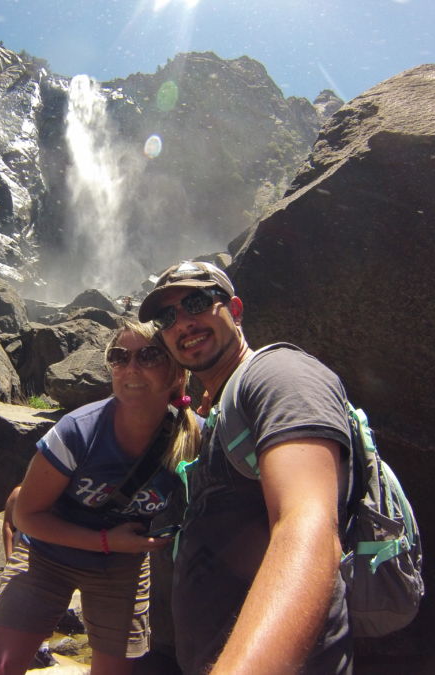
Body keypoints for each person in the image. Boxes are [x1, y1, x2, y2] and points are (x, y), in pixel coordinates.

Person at [138, 260, 353, 675]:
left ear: (235, 310)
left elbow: (307, 528)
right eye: (167, 317)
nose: (183, 322)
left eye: (197, 302)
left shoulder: (279, 376)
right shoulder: (215, 413)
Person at [0, 320, 200, 675]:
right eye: (119, 357)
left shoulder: (193, 438)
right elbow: (27, 517)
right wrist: (107, 541)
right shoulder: (78, 431)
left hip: (120, 568)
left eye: (149, 356)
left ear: (176, 375)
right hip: (47, 555)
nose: (131, 367)